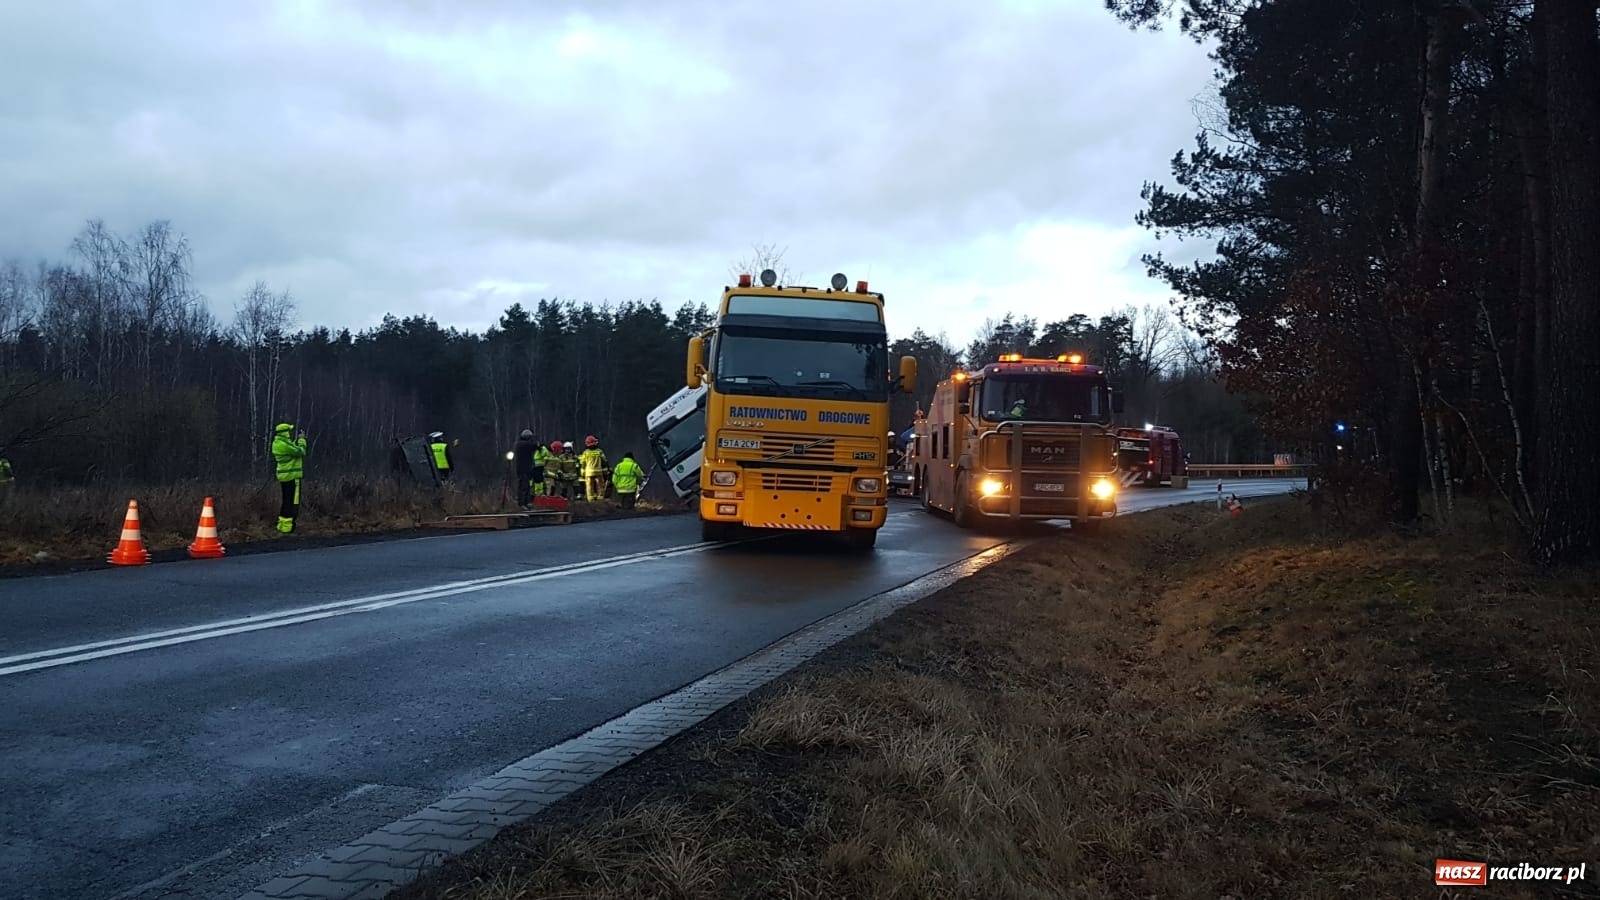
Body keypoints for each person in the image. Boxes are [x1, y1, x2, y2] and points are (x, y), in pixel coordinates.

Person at [271, 423, 307, 533]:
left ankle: (282, 525)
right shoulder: (284, 445)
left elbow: (292, 449)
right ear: (285, 433)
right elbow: (300, 451)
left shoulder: (278, 443)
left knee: (286, 501)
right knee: (293, 503)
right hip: (292, 476)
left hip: (284, 477)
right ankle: (288, 527)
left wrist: (296, 441)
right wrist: (302, 440)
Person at [512, 429, 539, 508]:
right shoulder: (523, 444)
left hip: (525, 468)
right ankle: (522, 503)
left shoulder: (519, 444)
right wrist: (536, 443)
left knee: (526, 486)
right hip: (523, 469)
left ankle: (525, 503)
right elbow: (535, 446)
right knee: (523, 486)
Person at [579, 435, 609, 502]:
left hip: (588, 473)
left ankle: (590, 500)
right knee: (600, 486)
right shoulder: (599, 451)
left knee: (589, 486)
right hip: (598, 472)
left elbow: (583, 463)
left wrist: (582, 473)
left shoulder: (586, 452)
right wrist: (606, 472)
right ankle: (600, 499)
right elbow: (604, 461)